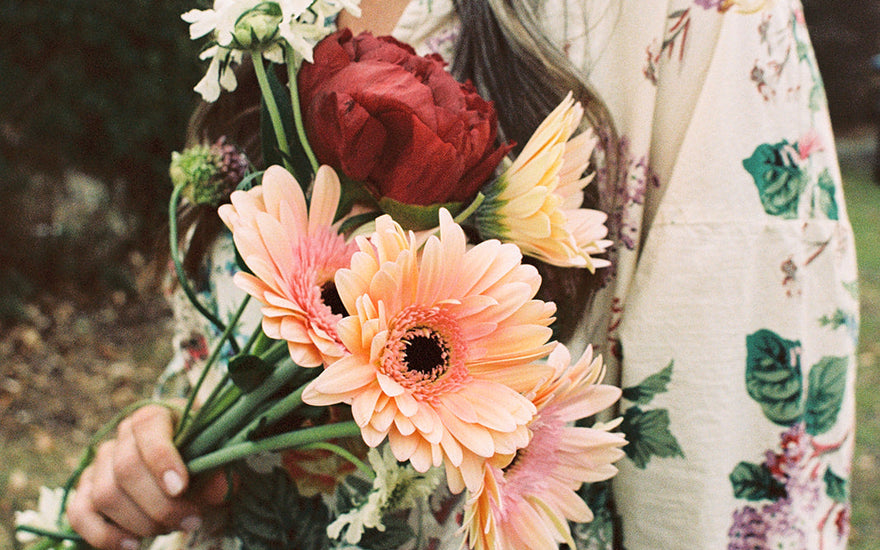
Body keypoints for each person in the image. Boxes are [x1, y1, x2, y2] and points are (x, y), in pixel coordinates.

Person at [66, 0, 860, 549]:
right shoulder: (267, 16)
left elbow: (726, 447)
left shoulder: (695, 21)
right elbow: (224, 329)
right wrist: (165, 442)